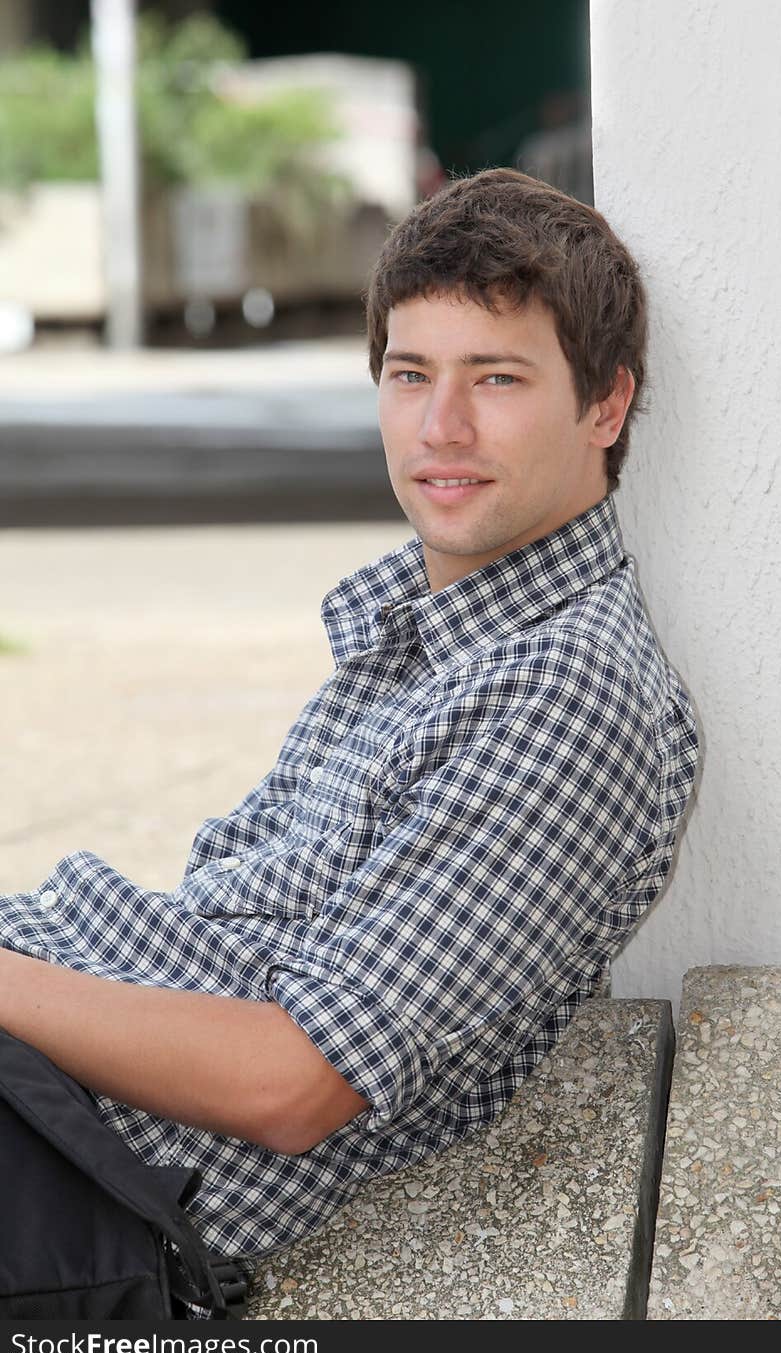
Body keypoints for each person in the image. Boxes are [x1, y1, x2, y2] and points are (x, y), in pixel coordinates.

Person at [0, 169, 699, 1273]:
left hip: (79, 1171)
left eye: (498, 377)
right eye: (409, 373)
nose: (441, 425)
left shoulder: (570, 691)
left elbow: (291, 1084)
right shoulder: (417, 634)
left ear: (603, 405)